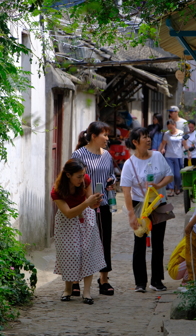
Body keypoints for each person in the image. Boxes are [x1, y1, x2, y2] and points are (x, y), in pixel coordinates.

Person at [120, 127, 173, 293]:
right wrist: (130, 214)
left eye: (148, 137)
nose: (148, 140)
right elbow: (126, 191)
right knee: (140, 242)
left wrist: (159, 185)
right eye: (144, 137)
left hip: (158, 202)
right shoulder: (129, 164)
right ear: (135, 142)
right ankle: (140, 282)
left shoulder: (157, 156)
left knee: (158, 242)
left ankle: (157, 281)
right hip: (139, 205)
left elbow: (169, 174)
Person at [51, 158, 106, 304]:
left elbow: (91, 203)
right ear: (68, 175)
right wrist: (87, 203)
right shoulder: (57, 191)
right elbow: (68, 213)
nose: (82, 179)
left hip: (86, 218)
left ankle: (87, 292)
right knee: (69, 254)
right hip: (66, 222)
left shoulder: (85, 180)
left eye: (83, 175)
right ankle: (67, 289)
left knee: (88, 252)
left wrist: (94, 201)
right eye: (79, 176)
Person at [71, 121, 116, 296]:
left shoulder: (107, 155)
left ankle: (104, 279)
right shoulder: (79, 154)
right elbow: (72, 178)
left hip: (103, 204)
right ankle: (75, 281)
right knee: (81, 243)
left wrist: (112, 182)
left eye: (107, 135)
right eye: (104, 135)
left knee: (104, 242)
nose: (107, 138)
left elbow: (111, 174)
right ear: (93, 136)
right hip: (83, 205)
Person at [159, 120, 184, 196]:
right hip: (169, 156)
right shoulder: (166, 134)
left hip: (178, 156)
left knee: (177, 174)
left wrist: (189, 152)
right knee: (170, 173)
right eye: (168, 127)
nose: (170, 129)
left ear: (175, 125)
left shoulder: (181, 133)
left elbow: (185, 144)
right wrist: (159, 150)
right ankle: (171, 190)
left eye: (171, 127)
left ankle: (178, 187)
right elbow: (163, 143)